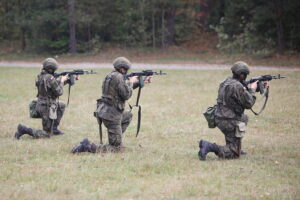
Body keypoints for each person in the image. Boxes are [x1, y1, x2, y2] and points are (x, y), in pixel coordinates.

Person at [71, 57, 151, 153]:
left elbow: (120, 91)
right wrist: (130, 82)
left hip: (105, 112)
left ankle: (116, 137)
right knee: (117, 149)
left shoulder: (110, 75)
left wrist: (139, 82)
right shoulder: (119, 77)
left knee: (128, 115)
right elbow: (126, 95)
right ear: (122, 69)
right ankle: (87, 146)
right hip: (112, 116)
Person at [198, 61, 265, 160]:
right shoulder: (237, 86)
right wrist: (252, 90)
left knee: (244, 118)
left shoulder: (226, 82)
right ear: (242, 74)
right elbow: (248, 103)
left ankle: (235, 145)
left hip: (219, 117)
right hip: (228, 120)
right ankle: (209, 146)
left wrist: (253, 88)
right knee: (234, 154)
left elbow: (236, 95)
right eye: (245, 75)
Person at [15, 58, 75, 139]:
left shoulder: (42, 76)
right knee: (46, 134)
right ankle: (24, 129)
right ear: (50, 69)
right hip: (46, 107)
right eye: (54, 69)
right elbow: (59, 92)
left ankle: (54, 129)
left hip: (42, 104)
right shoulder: (50, 78)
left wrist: (68, 80)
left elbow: (53, 87)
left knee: (61, 105)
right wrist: (61, 81)